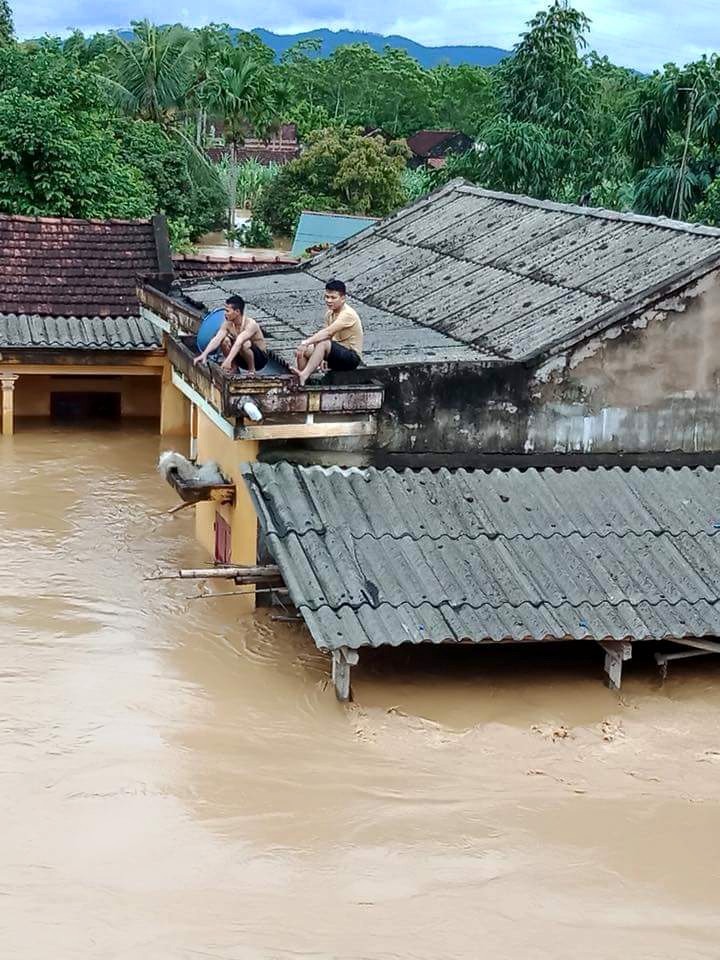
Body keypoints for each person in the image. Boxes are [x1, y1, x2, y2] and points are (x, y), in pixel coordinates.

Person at [291, 279, 363, 387]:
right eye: (327, 297)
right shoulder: (329, 314)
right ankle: (304, 381)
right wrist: (318, 355)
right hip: (335, 354)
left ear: (343, 298)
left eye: (333, 297)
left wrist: (305, 342)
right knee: (304, 350)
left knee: (321, 343)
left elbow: (327, 333)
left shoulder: (348, 314)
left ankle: (304, 374)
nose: (329, 300)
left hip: (351, 358)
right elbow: (322, 336)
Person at [193, 295, 268, 375]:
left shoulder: (250, 324)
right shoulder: (227, 324)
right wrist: (204, 354)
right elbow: (217, 339)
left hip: (259, 360)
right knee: (224, 340)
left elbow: (239, 341)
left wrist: (227, 360)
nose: (225, 314)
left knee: (245, 343)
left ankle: (251, 371)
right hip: (242, 357)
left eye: (227, 311)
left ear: (237, 312)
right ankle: (234, 367)